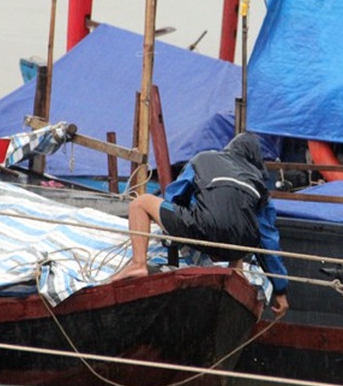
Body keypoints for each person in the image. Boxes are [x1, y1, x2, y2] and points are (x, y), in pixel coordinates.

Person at [113, 132, 289, 318]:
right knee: (241, 225)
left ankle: (138, 264)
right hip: (237, 247)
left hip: (203, 230)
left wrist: (188, 215)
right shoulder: (259, 183)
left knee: (140, 203)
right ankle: (236, 273)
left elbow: (174, 196)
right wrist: (281, 290)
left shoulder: (203, 159)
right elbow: (268, 240)